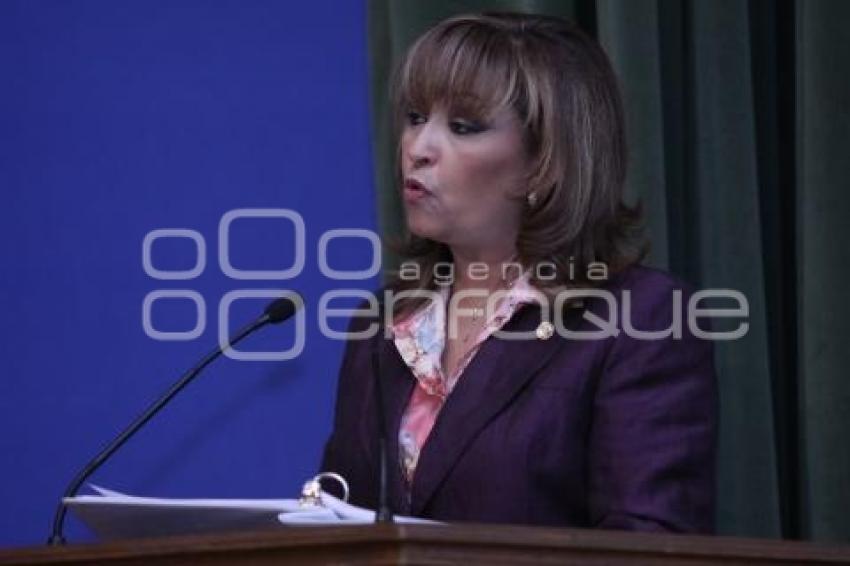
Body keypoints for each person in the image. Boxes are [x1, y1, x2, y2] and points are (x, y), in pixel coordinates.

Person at [320, 12, 717, 533]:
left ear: (545, 163)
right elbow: (338, 522)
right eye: (416, 117)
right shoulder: (382, 321)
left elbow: (648, 545)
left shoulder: (642, 319)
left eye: (463, 127)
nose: (418, 148)